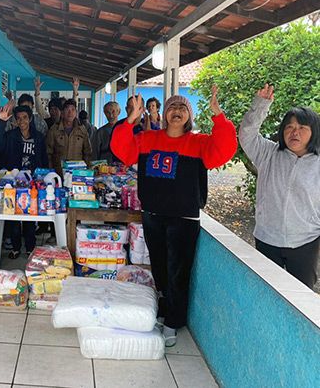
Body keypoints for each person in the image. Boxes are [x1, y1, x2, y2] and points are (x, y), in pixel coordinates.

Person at [110, 87, 237, 347]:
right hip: (153, 214)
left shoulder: (199, 143)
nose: (177, 111)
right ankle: (164, 310)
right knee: (160, 268)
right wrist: (131, 119)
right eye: (172, 107)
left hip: (184, 217)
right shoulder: (147, 139)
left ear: (189, 116)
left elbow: (225, 149)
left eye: (182, 108)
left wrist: (218, 116)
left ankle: (173, 321)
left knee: (178, 272)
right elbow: (122, 150)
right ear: (164, 114)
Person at [239, 83, 320, 289]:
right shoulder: (268, 153)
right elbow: (247, 134)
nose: (294, 132)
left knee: (300, 296)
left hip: (305, 241)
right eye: (289, 127)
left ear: (314, 133)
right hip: (267, 238)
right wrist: (261, 105)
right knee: (265, 292)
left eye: (302, 128)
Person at [0, 103, 48, 258]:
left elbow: (44, 159)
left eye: (24, 118)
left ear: (30, 119)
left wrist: (43, 179)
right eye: (18, 118)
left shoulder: (38, 137)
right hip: (13, 183)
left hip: (32, 183)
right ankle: (16, 247)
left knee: (30, 216)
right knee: (13, 216)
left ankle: (30, 248)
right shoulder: (10, 136)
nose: (22, 121)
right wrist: (1, 122)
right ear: (15, 121)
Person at [47, 99, 92, 175]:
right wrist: (51, 172)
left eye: (73, 109)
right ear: (62, 112)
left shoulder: (82, 130)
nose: (70, 112)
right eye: (67, 109)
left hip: (77, 173)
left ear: (76, 113)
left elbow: (87, 152)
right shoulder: (54, 130)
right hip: (58, 173)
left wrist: (86, 171)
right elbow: (49, 153)